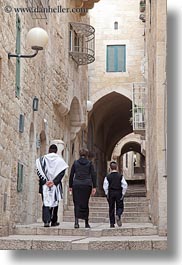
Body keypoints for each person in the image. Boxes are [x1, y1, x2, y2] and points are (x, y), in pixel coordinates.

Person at [36, 144, 68, 227]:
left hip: (44, 185)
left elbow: (39, 171)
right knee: (55, 202)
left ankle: (46, 221)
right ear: (57, 151)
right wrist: (54, 182)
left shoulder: (42, 159)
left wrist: (45, 181)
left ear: (49, 150)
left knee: (45, 202)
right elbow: (62, 172)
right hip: (55, 185)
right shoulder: (60, 160)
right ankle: (53, 220)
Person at [69, 148, 97, 228]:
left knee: (76, 203)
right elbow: (93, 175)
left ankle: (76, 222)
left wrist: (70, 186)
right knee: (85, 203)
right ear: (87, 155)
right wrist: (94, 186)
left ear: (79, 154)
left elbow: (71, 175)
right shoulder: (90, 163)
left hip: (77, 184)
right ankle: (86, 222)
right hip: (87, 185)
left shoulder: (75, 163)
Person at [103, 161, 128, 228]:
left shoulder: (107, 177)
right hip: (118, 192)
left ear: (110, 168)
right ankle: (118, 214)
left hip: (111, 193)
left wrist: (107, 193)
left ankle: (112, 223)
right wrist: (123, 193)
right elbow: (125, 185)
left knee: (111, 208)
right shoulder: (120, 176)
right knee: (120, 206)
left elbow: (105, 186)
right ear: (116, 167)